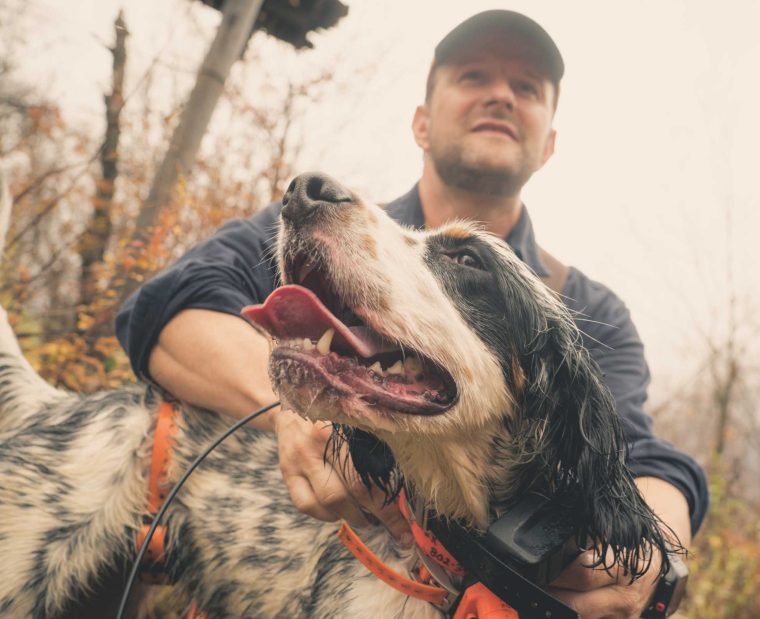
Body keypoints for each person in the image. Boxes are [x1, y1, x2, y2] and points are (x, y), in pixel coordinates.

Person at [117, 10, 708, 617]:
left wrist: (649, 564)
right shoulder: (325, 221)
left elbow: (638, 455)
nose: (500, 95)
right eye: (473, 75)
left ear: (549, 143)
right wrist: (292, 409)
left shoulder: (584, 309)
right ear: (421, 122)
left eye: (527, 88)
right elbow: (164, 310)